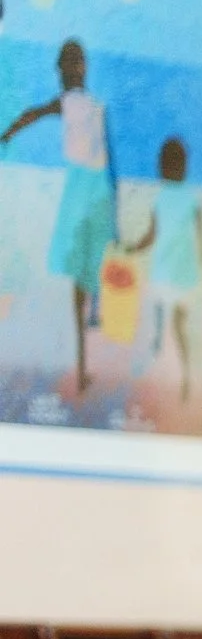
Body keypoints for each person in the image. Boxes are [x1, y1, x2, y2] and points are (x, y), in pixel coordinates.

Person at [2, 39, 114, 393]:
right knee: (82, 276)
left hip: (91, 190)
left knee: (86, 273)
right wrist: (7, 133)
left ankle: (87, 349)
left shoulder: (88, 105)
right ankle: (82, 363)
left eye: (74, 63)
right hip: (88, 190)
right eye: (69, 64)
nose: (71, 70)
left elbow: (33, 115)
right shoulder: (77, 103)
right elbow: (33, 114)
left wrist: (7, 133)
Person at [130, 137, 202, 405]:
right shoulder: (192, 198)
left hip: (164, 274)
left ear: (161, 168)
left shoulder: (161, 198)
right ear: (184, 166)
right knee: (179, 326)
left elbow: (150, 237)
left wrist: (132, 249)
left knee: (161, 321)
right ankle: (183, 371)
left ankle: (163, 362)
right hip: (185, 275)